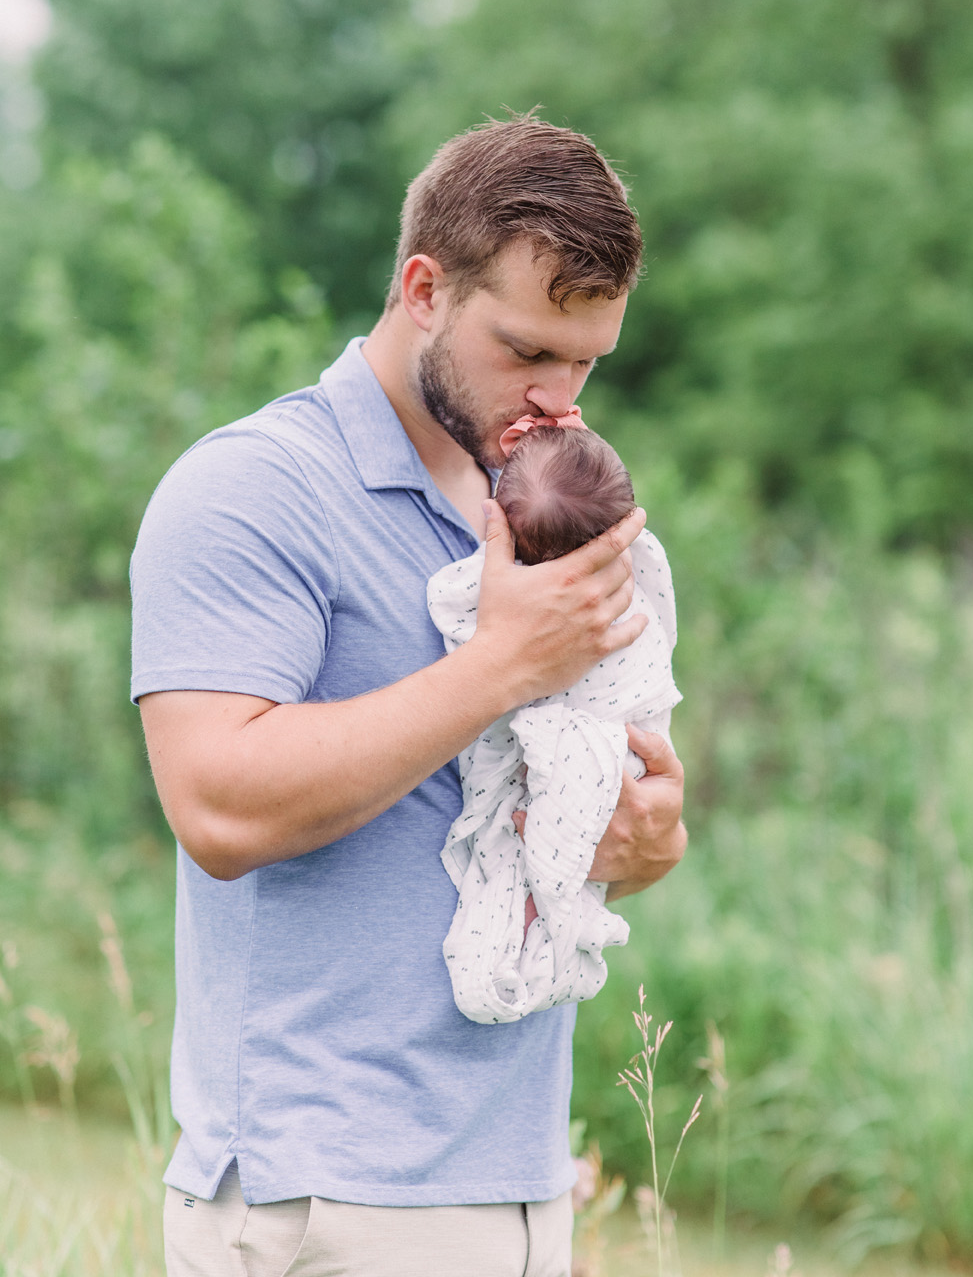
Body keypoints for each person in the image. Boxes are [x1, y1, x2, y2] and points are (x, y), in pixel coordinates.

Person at [131, 113, 687, 1277]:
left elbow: (547, 786)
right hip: (327, 1199)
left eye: (586, 361)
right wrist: (498, 666)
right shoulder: (249, 489)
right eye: (527, 351)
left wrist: (632, 835)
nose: (559, 396)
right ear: (424, 286)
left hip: (525, 1185)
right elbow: (218, 808)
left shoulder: (543, 504)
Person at [429, 420, 681, 1026]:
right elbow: (588, 495)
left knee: (519, 838)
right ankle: (554, 917)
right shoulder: (634, 562)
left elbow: (452, 604)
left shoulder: (505, 585)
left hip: (601, 733)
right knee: (556, 839)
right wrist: (576, 456)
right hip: (623, 738)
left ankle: (538, 916)